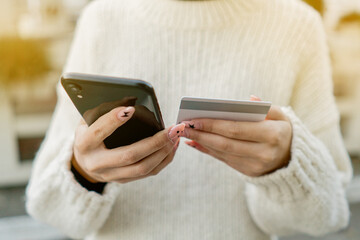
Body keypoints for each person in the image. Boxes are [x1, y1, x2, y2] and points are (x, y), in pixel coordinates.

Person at [26, 0, 353, 239]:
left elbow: (330, 213)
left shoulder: (297, 25)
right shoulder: (100, 19)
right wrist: (84, 173)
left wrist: (284, 166)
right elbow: (46, 205)